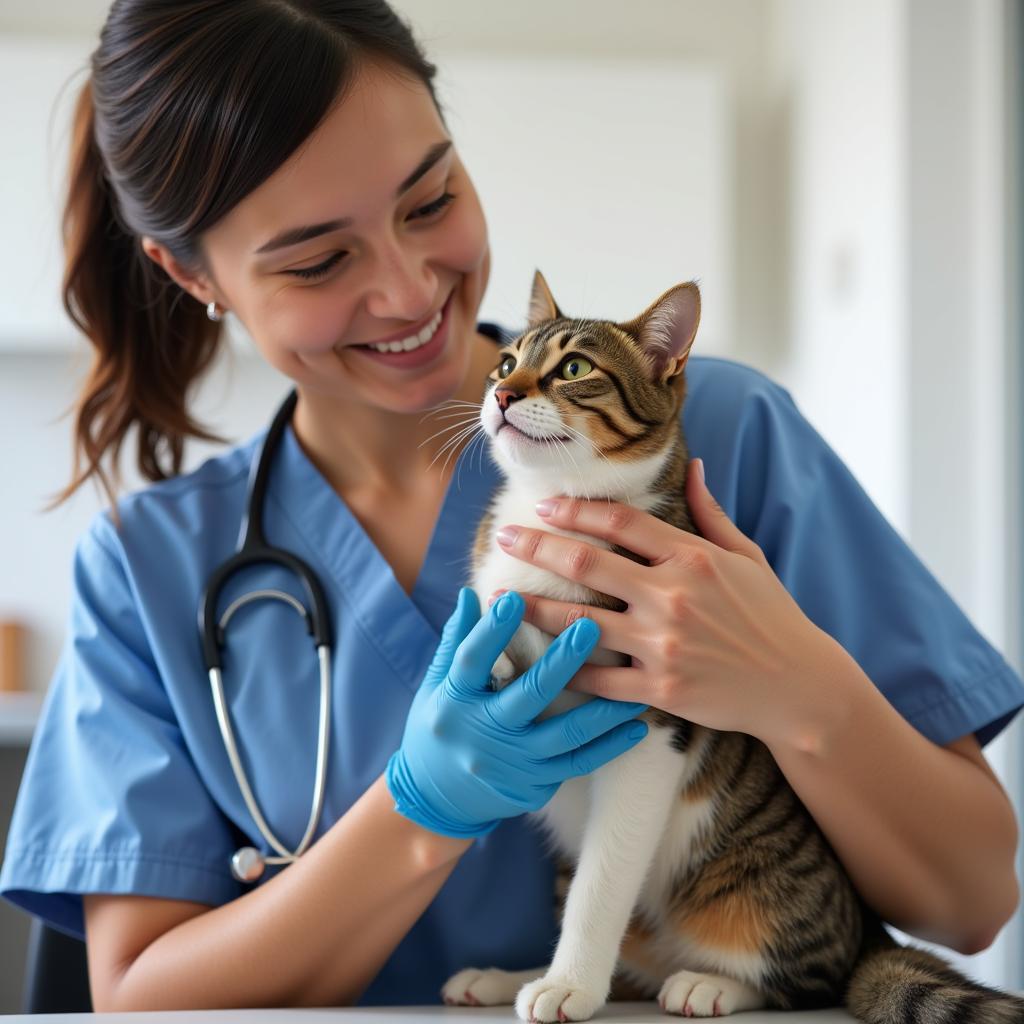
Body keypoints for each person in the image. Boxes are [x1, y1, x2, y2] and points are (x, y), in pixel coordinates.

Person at [1, 0, 1021, 1012]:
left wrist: (797, 688)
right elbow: (138, 997)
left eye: (429, 199)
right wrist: (421, 812)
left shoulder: (720, 435)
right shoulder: (151, 565)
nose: (405, 292)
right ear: (190, 271)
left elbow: (974, 898)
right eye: (319, 259)